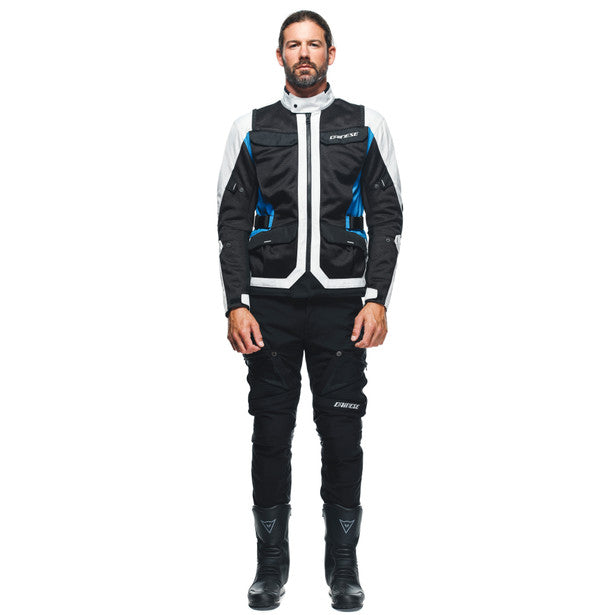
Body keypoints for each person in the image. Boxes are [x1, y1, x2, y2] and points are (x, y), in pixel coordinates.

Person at [216, 10, 403, 611]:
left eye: (314, 44)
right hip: (268, 306)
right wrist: (236, 304)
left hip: (343, 306)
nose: (304, 54)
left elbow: (388, 221)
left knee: (342, 434)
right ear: (279, 56)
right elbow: (230, 225)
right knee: (270, 433)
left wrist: (377, 299)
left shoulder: (365, 125)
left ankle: (343, 566)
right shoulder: (250, 128)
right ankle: (270, 566)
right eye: (293, 45)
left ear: (330, 53)